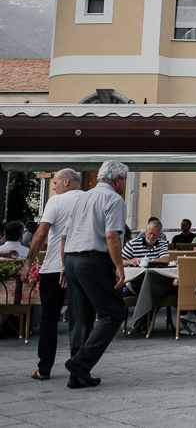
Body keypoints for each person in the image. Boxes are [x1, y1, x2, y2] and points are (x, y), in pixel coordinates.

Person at [62, 160, 129, 388]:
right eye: (125, 179)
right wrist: (119, 266)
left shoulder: (82, 197)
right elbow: (112, 235)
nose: (125, 184)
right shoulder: (114, 199)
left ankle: (77, 375)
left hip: (72, 258)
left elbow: (66, 233)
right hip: (94, 260)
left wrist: (64, 264)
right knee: (114, 312)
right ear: (117, 179)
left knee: (80, 319)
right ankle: (81, 363)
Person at [20, 168, 83, 381]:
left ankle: (44, 368)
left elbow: (41, 233)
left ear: (66, 182)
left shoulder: (55, 202)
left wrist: (29, 261)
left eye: (55, 182)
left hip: (54, 268)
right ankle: (79, 366)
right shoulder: (90, 199)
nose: (53, 186)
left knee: (49, 320)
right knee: (80, 319)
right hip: (80, 267)